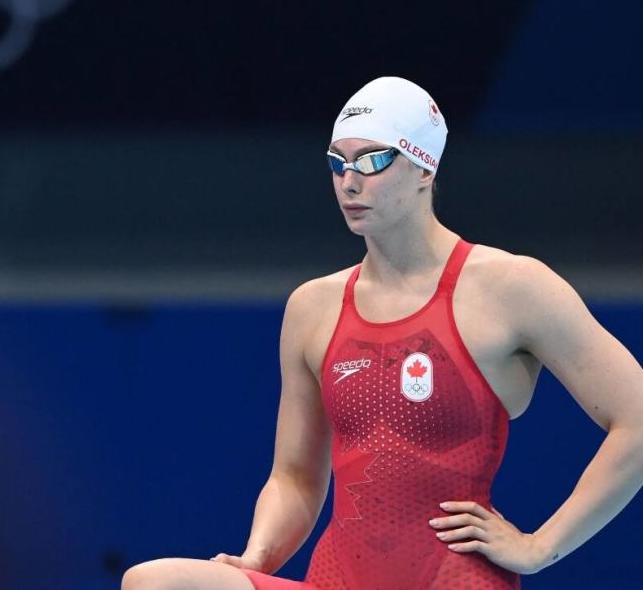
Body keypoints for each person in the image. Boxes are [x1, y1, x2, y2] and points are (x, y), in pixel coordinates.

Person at [121, 77, 643, 590]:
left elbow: (637, 421)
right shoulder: (313, 307)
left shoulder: (511, 287)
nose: (349, 182)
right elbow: (296, 477)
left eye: (371, 160)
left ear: (424, 167)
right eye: (337, 163)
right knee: (153, 583)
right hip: (337, 579)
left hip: (452, 579)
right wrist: (256, 558)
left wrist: (538, 547)